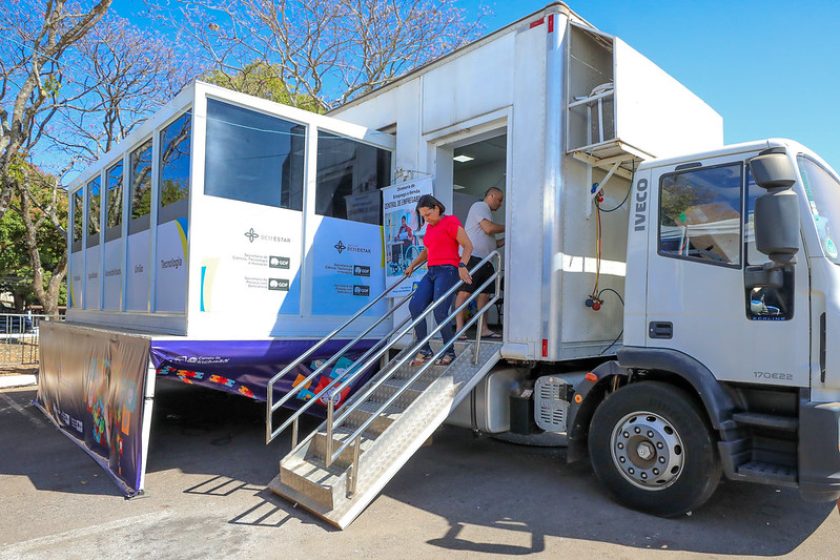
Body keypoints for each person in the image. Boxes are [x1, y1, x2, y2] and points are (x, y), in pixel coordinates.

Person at [405, 194, 473, 366]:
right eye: (423, 216)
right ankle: (425, 349)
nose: (426, 219)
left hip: (448, 270)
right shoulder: (429, 228)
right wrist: (412, 265)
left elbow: (468, 245)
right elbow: (426, 252)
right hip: (432, 271)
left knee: (439, 311)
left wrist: (462, 265)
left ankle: (449, 351)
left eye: (428, 214)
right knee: (415, 306)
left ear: (436, 208)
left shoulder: (450, 222)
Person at [455, 186, 505, 338]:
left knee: (484, 295)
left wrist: (510, 237)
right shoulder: (479, 206)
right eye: (499, 200)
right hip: (473, 258)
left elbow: (492, 243)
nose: (500, 204)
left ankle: (483, 329)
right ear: (490, 196)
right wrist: (509, 226)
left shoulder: (487, 213)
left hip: (486, 260)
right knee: (464, 293)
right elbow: (488, 229)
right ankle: (459, 329)